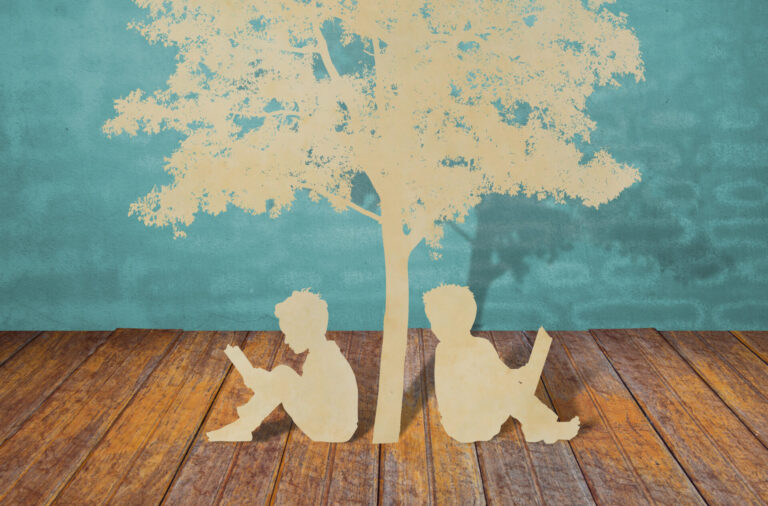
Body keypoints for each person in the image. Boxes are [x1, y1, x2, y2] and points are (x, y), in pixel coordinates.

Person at [423, 284, 579, 443]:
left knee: (509, 387)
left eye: (444, 323)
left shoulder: (481, 346)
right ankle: (541, 427)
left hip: (478, 416)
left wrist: (524, 372)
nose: (437, 329)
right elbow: (468, 391)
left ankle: (539, 426)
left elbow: (501, 374)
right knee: (508, 390)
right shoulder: (447, 351)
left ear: (467, 320)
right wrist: (511, 382)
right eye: (435, 323)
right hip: (464, 425)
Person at [207, 290, 358, 442]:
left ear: (307, 330)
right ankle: (244, 425)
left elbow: (304, 394)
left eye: (289, 333)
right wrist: (267, 383)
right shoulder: (324, 353)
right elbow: (309, 392)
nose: (286, 340)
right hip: (336, 426)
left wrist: (268, 383)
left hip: (332, 430)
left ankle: (243, 426)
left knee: (282, 375)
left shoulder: (324, 360)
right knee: (282, 375)